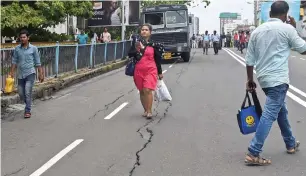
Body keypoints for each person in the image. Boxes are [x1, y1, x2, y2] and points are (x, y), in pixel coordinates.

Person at [245, 1, 306, 166]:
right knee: (270, 113)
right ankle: (253, 152)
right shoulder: (287, 29)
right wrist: (295, 28)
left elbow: (249, 60)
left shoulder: (257, 31)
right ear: (286, 14)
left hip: (264, 79)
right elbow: (303, 49)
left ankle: (290, 143)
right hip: (278, 80)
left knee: (281, 111)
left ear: (270, 13)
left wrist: (250, 80)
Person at [128, 24, 164, 119]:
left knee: (147, 90)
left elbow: (157, 59)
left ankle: (149, 111)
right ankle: (145, 109)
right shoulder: (136, 43)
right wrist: (137, 50)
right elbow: (129, 54)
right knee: (142, 91)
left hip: (151, 69)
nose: (144, 31)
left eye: (146, 30)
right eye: (142, 30)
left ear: (150, 32)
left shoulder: (154, 45)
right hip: (139, 70)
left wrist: (159, 72)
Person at [9, 30, 44, 118]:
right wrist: (11, 72)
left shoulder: (33, 48)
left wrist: (41, 74)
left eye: (24, 37)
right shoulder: (17, 49)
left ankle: (27, 110)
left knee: (27, 92)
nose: (22, 39)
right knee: (21, 93)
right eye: (21, 37)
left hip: (30, 73)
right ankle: (28, 102)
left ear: (28, 38)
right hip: (20, 74)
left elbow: (38, 62)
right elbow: (14, 61)